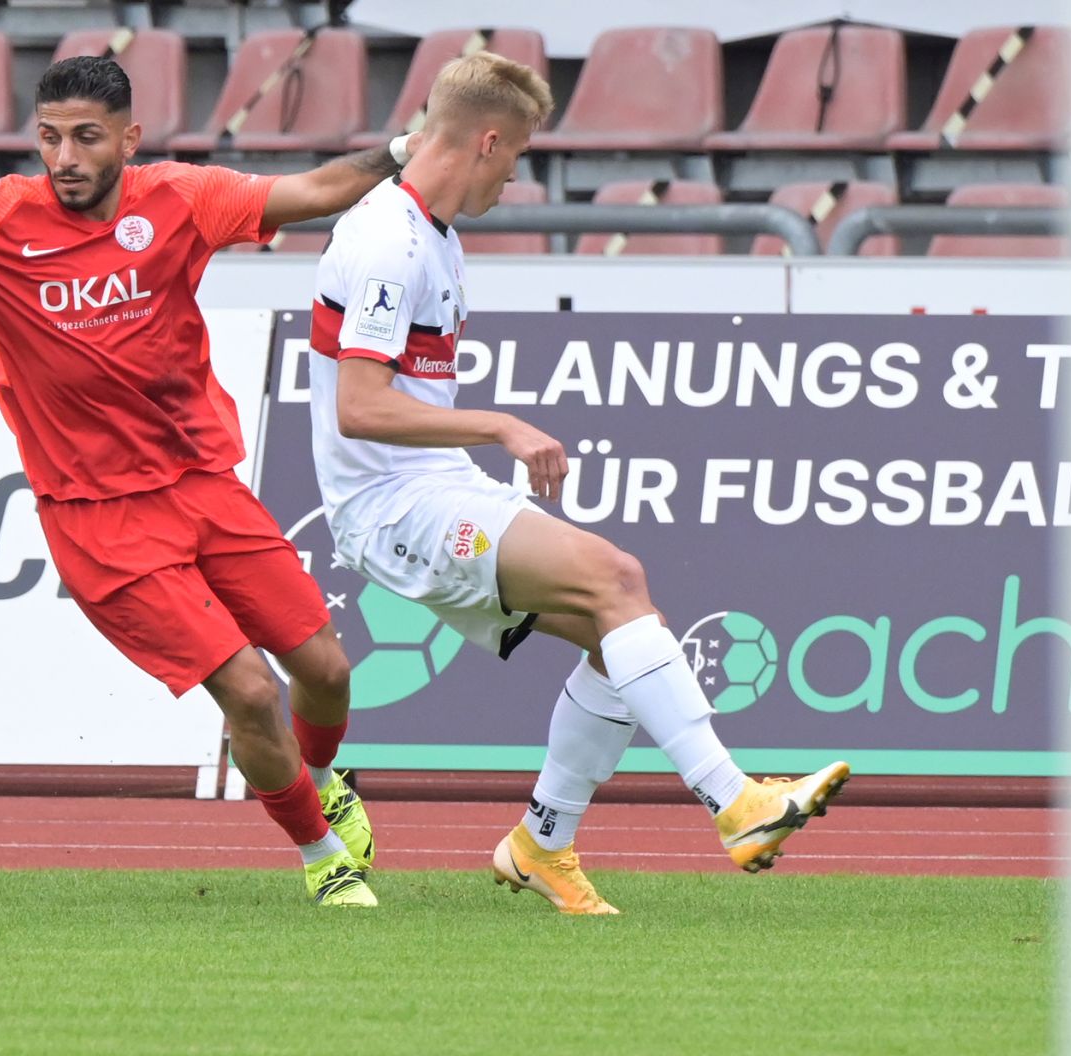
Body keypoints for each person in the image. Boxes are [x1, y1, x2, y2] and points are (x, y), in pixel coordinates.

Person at [0, 56, 402, 907]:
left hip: (202, 482)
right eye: (50, 137)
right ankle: (323, 858)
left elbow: (317, 190)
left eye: (87, 138)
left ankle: (324, 782)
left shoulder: (179, 197)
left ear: (128, 140)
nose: (65, 156)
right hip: (97, 516)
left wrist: (406, 147)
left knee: (325, 669)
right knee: (247, 688)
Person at [307, 52, 850, 915]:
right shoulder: (386, 244)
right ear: (486, 143)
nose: (516, 174)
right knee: (617, 577)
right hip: (390, 505)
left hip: (428, 486)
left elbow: (425, 142)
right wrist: (502, 424)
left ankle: (541, 844)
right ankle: (738, 803)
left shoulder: (428, 230)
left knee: (623, 630)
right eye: (516, 155)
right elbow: (361, 408)